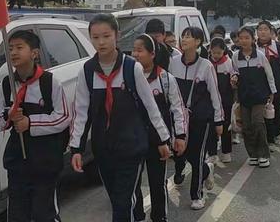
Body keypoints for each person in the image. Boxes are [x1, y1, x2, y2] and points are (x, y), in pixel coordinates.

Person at [70, 14, 171, 222]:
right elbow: (81, 112)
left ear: (117, 35)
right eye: (95, 37)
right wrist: (77, 149)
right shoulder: (87, 72)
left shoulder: (131, 68)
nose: (101, 42)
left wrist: (162, 139)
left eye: (106, 36)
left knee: (124, 202)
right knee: (117, 199)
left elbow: (150, 108)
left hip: (131, 147)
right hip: (103, 149)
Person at [0, 30, 71, 222]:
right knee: (17, 212)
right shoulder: (7, 84)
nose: (14, 53)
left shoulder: (50, 83)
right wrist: (8, 116)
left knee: (44, 212)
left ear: (34, 53)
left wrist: (31, 123)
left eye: (19, 47)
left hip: (44, 160)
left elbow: (63, 117)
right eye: (10, 49)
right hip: (18, 160)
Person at [131, 34, 187, 222]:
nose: (135, 54)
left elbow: (178, 109)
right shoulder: (128, 77)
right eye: (134, 50)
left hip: (158, 142)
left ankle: (159, 217)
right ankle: (137, 216)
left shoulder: (165, 79)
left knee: (157, 183)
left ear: (152, 54)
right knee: (133, 183)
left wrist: (180, 136)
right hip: (134, 140)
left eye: (140, 50)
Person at [169, 27, 224, 210]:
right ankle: (207, 170)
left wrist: (219, 121)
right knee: (181, 154)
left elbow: (215, 94)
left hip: (201, 119)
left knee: (196, 155)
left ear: (198, 42)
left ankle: (197, 195)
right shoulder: (174, 63)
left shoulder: (205, 65)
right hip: (179, 120)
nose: (184, 39)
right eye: (183, 36)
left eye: (188, 37)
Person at [231, 26, 277, 168]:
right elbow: (234, 73)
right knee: (246, 126)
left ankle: (263, 154)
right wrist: (233, 78)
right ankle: (253, 154)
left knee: (258, 123)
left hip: (259, 96)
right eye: (241, 38)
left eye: (247, 38)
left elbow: (269, 75)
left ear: (252, 39)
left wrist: (272, 92)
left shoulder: (260, 56)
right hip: (244, 97)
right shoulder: (235, 56)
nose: (244, 41)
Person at [257, 21, 280, 146]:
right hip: (261, 83)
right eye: (260, 29)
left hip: (279, 83)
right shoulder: (253, 48)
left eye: (265, 29)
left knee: (278, 110)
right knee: (263, 111)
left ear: (271, 31)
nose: (263, 32)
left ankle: (276, 133)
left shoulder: (278, 47)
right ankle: (268, 138)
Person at [208, 37, 236, 163]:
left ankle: (226, 152)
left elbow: (234, 79)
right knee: (211, 126)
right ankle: (212, 153)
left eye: (219, 53)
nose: (216, 55)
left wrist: (233, 82)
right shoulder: (207, 63)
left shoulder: (229, 63)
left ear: (224, 50)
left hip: (226, 100)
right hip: (210, 100)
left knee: (226, 126)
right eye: (214, 52)